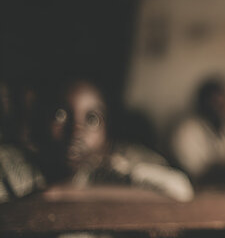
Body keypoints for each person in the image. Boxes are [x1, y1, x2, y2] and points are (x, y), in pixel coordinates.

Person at [0, 77, 193, 202]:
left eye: (92, 119)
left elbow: (179, 190)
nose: (76, 131)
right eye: (60, 115)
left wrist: (63, 195)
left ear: (107, 135)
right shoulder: (7, 166)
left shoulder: (109, 170)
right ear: (38, 121)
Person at [170, 76, 225, 184]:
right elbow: (195, 172)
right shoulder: (186, 130)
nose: (221, 108)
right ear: (203, 103)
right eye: (216, 102)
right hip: (196, 189)